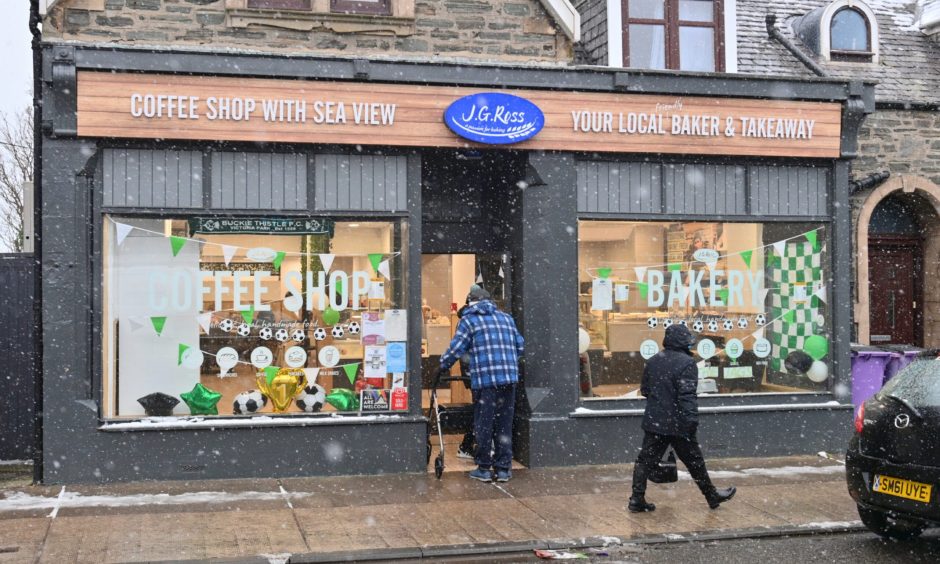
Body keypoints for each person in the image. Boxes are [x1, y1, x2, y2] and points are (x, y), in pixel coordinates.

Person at [628, 324, 736, 512]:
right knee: (694, 461)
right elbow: (687, 396)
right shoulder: (686, 363)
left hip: (655, 421)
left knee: (644, 461)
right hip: (679, 423)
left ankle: (637, 498)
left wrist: (661, 400)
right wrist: (691, 421)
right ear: (683, 341)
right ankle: (711, 496)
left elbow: (645, 390)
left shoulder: (653, 360)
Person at [439, 284, 524, 482]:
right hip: (509, 380)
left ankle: (484, 467)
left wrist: (442, 365)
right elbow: (520, 346)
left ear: (471, 303)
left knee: (484, 423)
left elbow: (456, 349)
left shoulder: (469, 321)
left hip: (486, 382)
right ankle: (503, 468)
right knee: (504, 423)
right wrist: (506, 362)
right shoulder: (506, 318)